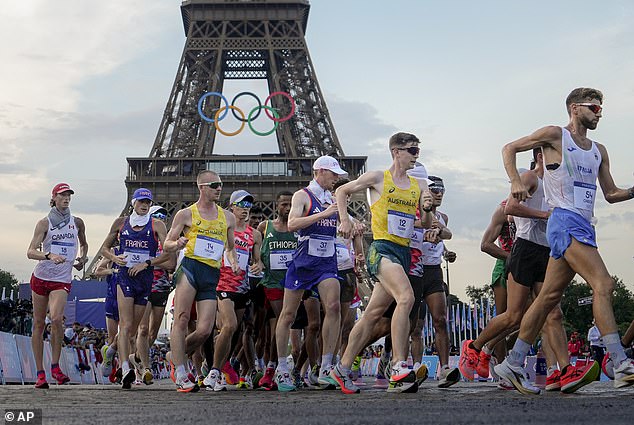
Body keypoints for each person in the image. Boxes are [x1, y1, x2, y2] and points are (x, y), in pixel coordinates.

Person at [495, 87, 634, 393]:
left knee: (547, 299)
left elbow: (610, 194)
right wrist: (516, 180)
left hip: (585, 224)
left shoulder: (599, 150)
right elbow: (509, 148)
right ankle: (621, 363)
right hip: (564, 221)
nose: (599, 113)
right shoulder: (555, 135)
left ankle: (512, 363)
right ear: (574, 108)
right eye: (593, 108)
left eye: (601, 108)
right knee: (603, 285)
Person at [330, 132, 433, 394]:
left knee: (372, 315)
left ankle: (341, 368)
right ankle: (398, 366)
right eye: (412, 150)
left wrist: (429, 209)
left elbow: (428, 224)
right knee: (406, 299)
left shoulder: (419, 185)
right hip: (381, 248)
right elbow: (342, 190)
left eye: (418, 151)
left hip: (404, 252)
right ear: (396, 151)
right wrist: (344, 220)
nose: (416, 155)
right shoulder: (378, 177)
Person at [460, 151, 569, 391]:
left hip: (546, 252)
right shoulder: (530, 178)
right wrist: (544, 215)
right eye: (556, 154)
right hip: (525, 250)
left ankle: (562, 371)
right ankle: (475, 348)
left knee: (552, 313)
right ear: (541, 156)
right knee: (513, 316)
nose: (561, 159)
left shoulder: (556, 185)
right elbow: (511, 206)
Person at [273, 155, 347, 391]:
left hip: (326, 261)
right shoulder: (303, 195)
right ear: (320, 171)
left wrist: (353, 224)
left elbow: (344, 221)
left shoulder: (334, 198)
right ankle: (282, 367)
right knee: (288, 314)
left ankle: (326, 365)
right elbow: (292, 224)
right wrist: (324, 214)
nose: (336, 178)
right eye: (333, 173)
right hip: (304, 261)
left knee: (333, 307)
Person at [165, 171, 240, 393]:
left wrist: (234, 262)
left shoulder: (228, 217)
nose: (219, 188)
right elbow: (167, 243)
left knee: (205, 330)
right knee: (181, 318)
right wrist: (176, 243)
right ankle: (180, 371)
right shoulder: (185, 214)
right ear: (202, 187)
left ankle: (173, 355)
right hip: (190, 267)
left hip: (211, 273)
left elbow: (230, 247)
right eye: (215, 185)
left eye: (221, 185)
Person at [98, 188, 170, 389]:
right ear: (133, 203)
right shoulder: (121, 223)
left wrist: (147, 263)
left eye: (147, 202)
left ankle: (118, 356)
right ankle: (125, 368)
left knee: (134, 332)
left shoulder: (157, 225)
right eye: (141, 202)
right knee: (127, 325)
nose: (144, 205)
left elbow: (168, 257)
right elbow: (104, 248)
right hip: (125, 277)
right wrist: (114, 258)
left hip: (145, 279)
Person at [27, 183, 88, 389]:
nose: (66, 198)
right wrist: (48, 255)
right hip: (41, 277)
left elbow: (84, 244)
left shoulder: (77, 222)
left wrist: (83, 258)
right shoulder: (44, 223)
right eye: (62, 195)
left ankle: (54, 366)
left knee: (55, 318)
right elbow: (30, 251)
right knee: (37, 323)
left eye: (69, 195)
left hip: (61, 280)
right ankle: (40, 373)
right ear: (53, 197)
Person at [205, 190, 263, 391]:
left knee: (232, 331)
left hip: (243, 288)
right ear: (232, 208)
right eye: (241, 205)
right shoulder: (222, 229)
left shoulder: (255, 235)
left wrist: (259, 266)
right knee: (229, 326)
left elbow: (258, 261)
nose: (245, 210)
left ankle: (217, 369)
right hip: (222, 284)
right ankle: (214, 371)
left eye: (248, 206)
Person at [416, 176, 461, 387]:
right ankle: (415, 367)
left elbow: (445, 237)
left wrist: (447, 252)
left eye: (442, 189)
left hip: (434, 271)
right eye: (434, 189)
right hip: (415, 268)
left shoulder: (443, 216)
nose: (439, 193)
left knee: (440, 320)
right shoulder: (415, 212)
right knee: (415, 327)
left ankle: (444, 368)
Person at [255, 192, 297, 390]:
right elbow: (256, 253)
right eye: (284, 204)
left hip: (295, 282)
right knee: (282, 321)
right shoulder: (265, 227)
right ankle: (277, 368)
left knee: (283, 325)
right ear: (276, 205)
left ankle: (273, 368)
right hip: (272, 282)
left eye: (291, 204)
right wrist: (258, 264)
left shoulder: (299, 227)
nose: (287, 208)